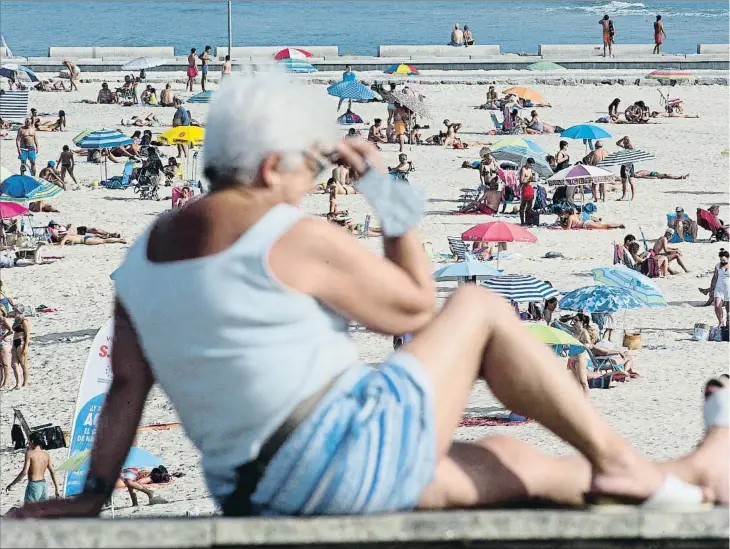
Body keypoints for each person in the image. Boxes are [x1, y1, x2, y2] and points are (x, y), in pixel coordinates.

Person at [11, 73, 726, 521]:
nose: (310, 180)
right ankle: (621, 457)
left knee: (516, 459)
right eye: (305, 165)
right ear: (268, 165)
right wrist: (383, 192)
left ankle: (692, 478)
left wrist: (93, 494)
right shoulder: (283, 232)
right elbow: (416, 308)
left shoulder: (145, 252)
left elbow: (128, 386)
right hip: (334, 456)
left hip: (254, 488)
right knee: (477, 308)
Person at [5, 434, 60, 502]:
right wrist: (57, 488)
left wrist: (12, 484)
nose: (28, 444)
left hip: (34, 485)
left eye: (29, 442)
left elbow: (24, 472)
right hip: (43, 485)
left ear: (32, 441)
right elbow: (53, 472)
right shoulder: (46, 455)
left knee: (29, 510)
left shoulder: (29, 454)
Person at [558, 207, 625, 230]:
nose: (563, 216)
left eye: (564, 214)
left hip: (586, 224)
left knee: (603, 226)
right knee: (603, 224)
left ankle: (618, 225)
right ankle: (617, 225)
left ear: (567, 213)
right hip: (587, 222)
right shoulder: (574, 215)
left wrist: (561, 224)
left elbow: (568, 228)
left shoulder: (570, 217)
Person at [11, 310, 30, 388]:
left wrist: (26, 347)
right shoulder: (16, 320)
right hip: (15, 341)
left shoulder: (24, 320)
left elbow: (28, 334)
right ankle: (18, 383)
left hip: (21, 341)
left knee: (23, 364)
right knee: (14, 364)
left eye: (15, 311)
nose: (14, 312)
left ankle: (25, 383)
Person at [616, 136, 637, 201]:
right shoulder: (625, 147)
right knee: (624, 182)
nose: (623, 143)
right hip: (623, 165)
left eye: (625, 142)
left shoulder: (631, 147)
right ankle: (624, 196)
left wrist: (628, 139)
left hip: (630, 166)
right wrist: (622, 138)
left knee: (631, 182)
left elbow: (632, 146)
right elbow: (617, 143)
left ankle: (633, 196)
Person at [712, 249, 729, 326]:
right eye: (721, 260)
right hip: (719, 288)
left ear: (728, 258)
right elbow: (715, 277)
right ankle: (721, 322)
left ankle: (728, 323)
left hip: (728, 289)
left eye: (724, 260)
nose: (722, 262)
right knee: (717, 306)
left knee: (728, 309)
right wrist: (711, 288)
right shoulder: (717, 266)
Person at [519, 158, 535, 226]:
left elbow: (531, 178)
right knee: (523, 205)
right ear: (527, 163)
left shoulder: (530, 169)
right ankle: (522, 221)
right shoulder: (523, 169)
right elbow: (521, 181)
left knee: (529, 206)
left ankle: (527, 220)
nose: (531, 166)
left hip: (530, 188)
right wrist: (528, 181)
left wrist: (532, 178)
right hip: (525, 188)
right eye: (530, 165)